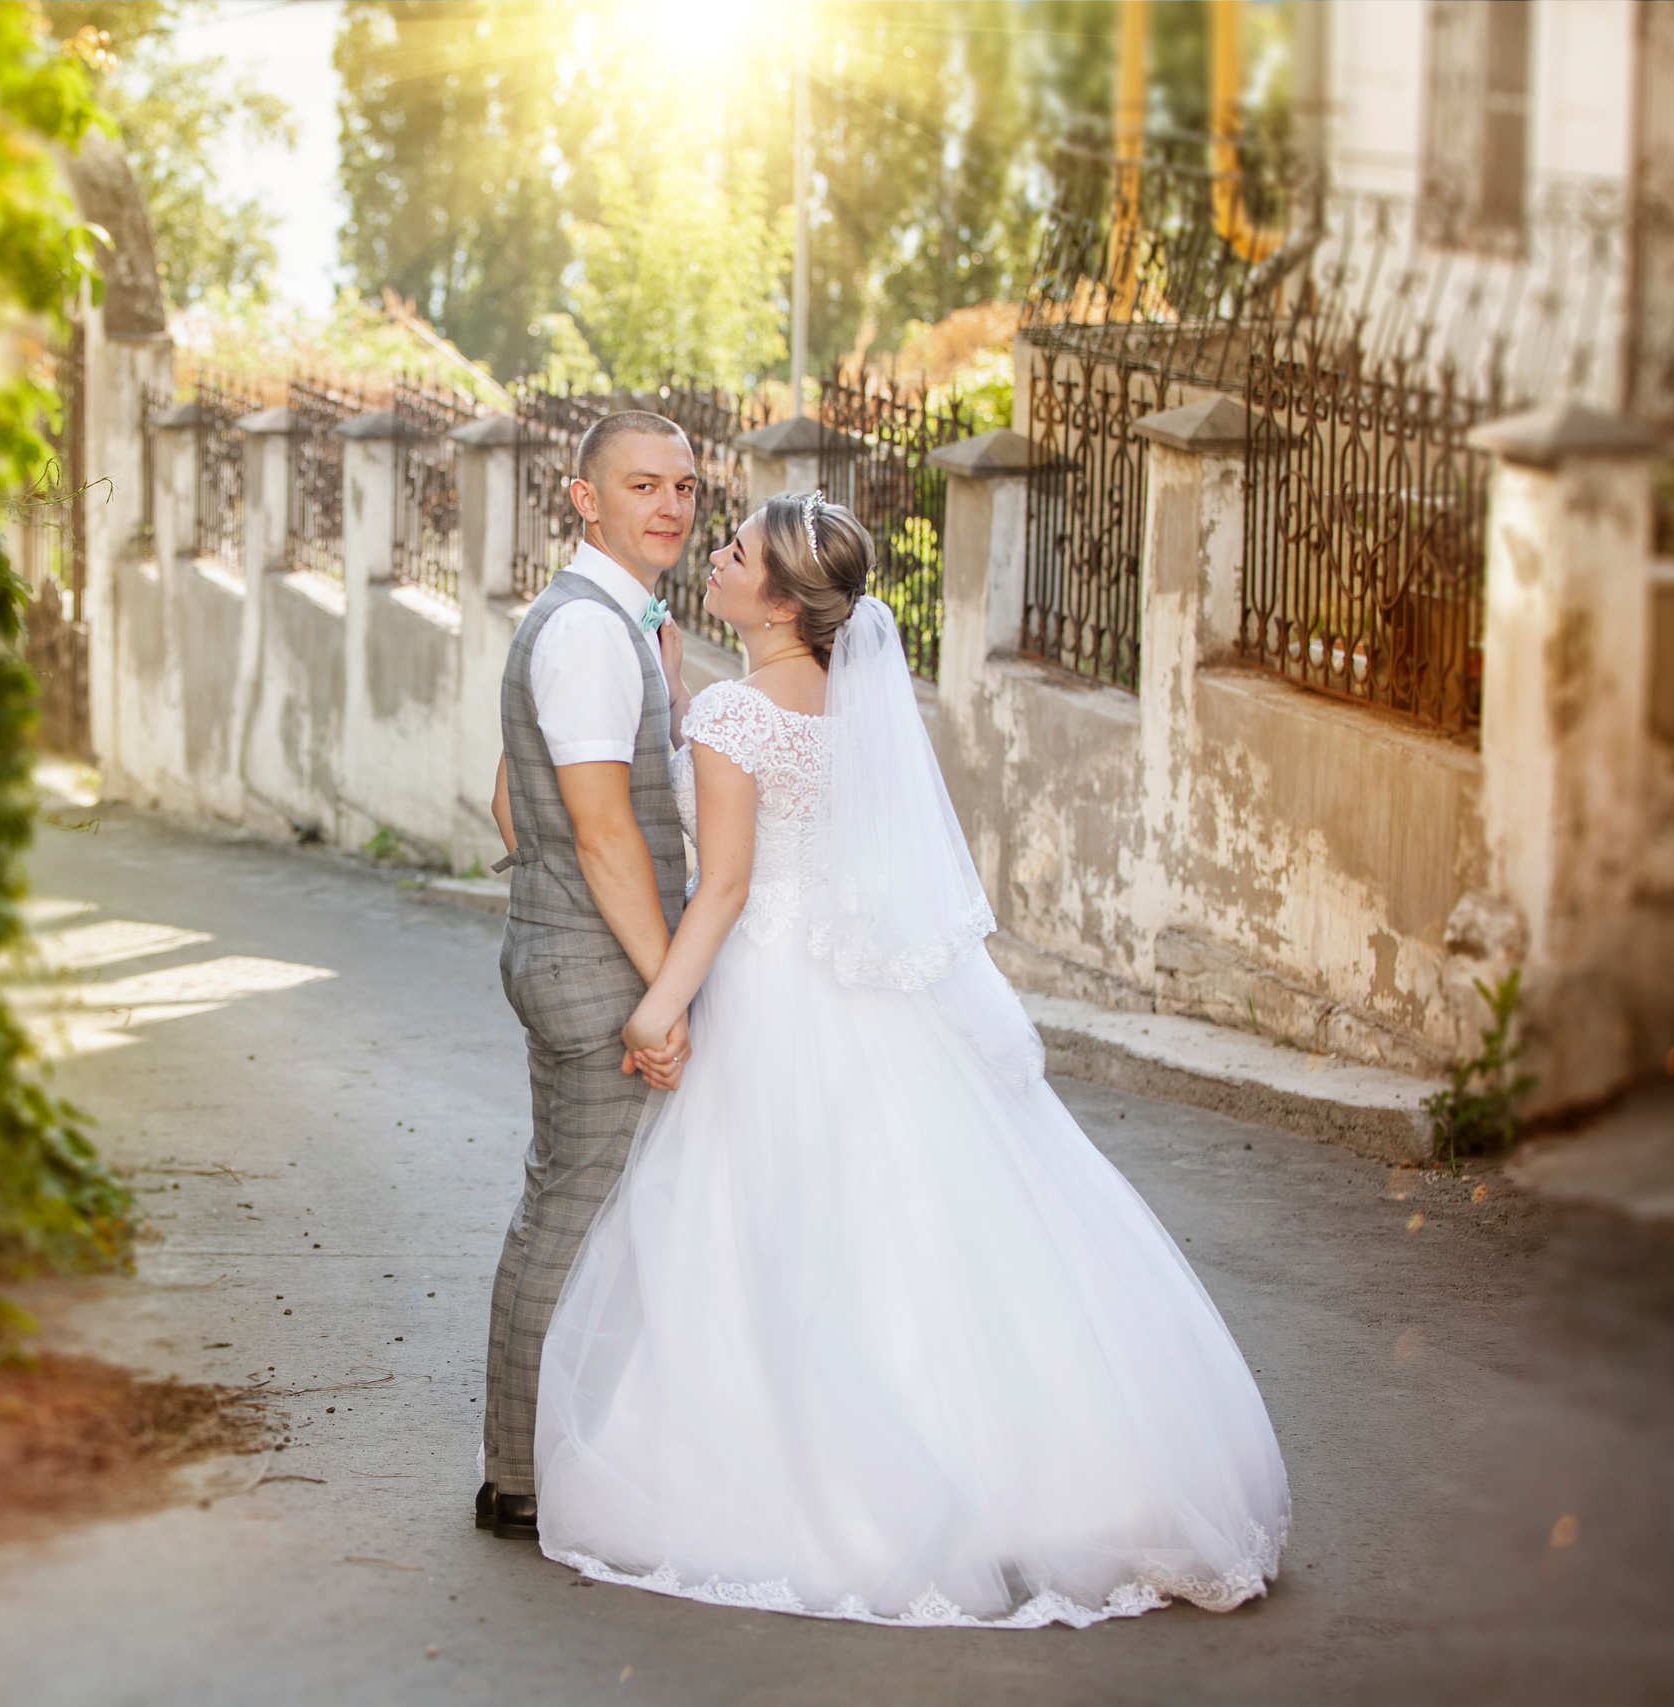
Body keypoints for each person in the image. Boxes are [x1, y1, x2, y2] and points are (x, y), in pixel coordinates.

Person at [529, 491, 1293, 1626]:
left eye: (735, 551)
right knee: (926, 1221)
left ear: (781, 599)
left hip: (779, 991)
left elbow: (729, 882)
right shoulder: (849, 701)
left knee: (776, 1228)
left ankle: (817, 1491)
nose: (715, 555)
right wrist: (688, 691)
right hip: (874, 992)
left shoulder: (737, 717)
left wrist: (661, 1008)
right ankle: (1033, 1479)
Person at [478, 410, 700, 1544]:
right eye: (640, 485)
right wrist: (664, 992)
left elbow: (516, 807)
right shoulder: (586, 635)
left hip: (570, 948)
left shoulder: (609, 626)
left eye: (683, 487)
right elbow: (605, 833)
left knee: (568, 1202)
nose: (667, 506)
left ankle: (542, 1457)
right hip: (602, 970)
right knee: (573, 1211)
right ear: (584, 497)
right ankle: (520, 1479)